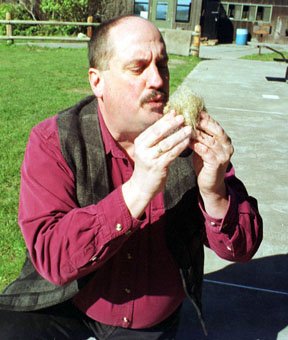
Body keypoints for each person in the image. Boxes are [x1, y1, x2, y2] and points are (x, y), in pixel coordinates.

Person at [0, 15, 262, 339]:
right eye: (138, 68)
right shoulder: (56, 140)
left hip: (150, 326)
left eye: (162, 65)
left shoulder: (192, 143)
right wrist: (138, 189)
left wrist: (215, 191)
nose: (158, 80)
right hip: (71, 302)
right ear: (98, 82)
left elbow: (243, 249)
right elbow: (51, 256)